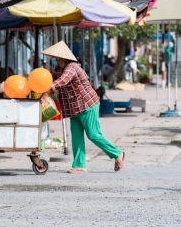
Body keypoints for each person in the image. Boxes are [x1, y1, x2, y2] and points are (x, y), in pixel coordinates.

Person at [43, 41, 125, 174]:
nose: (54, 59)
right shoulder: (58, 69)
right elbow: (52, 80)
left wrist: (52, 86)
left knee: (93, 134)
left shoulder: (72, 67)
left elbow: (63, 80)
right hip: (73, 108)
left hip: (87, 105)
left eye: (56, 57)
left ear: (63, 57)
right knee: (76, 137)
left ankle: (118, 154)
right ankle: (80, 165)